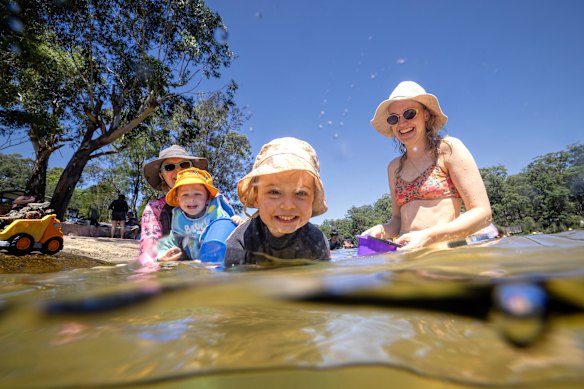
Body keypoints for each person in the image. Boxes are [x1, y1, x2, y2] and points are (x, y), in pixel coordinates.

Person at [362, 81, 492, 249]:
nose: (401, 123)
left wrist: (430, 236)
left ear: (426, 115)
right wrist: (381, 230)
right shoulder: (394, 168)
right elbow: (397, 221)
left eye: (409, 114)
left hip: (448, 254)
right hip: (408, 256)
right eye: (394, 118)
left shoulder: (448, 149)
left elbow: (482, 213)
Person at [224, 137, 330, 266]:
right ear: (257, 197)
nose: (288, 205)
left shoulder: (317, 242)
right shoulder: (240, 243)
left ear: (313, 198)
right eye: (274, 192)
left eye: (301, 193)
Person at [139, 145, 210, 264]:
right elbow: (147, 251)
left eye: (184, 165)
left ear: (192, 169)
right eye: (169, 167)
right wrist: (158, 259)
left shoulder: (214, 200)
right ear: (162, 176)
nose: (178, 170)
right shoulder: (154, 209)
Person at [154, 167, 243, 261]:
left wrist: (238, 223)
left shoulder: (215, 211)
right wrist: (161, 256)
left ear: (208, 199)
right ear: (178, 200)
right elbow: (170, 241)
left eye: (197, 194)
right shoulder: (179, 219)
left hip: (216, 256)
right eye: (185, 195)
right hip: (194, 261)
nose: (191, 199)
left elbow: (228, 228)